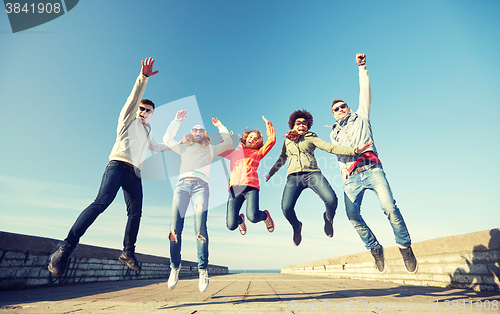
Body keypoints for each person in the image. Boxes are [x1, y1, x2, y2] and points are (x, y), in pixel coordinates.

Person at [48, 58, 169, 276]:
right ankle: (64, 248)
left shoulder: (148, 131)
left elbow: (158, 146)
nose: (143, 112)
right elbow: (133, 100)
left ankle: (128, 253)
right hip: (117, 166)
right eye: (141, 109)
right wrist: (143, 78)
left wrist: (182, 143)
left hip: (135, 174)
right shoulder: (127, 120)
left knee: (136, 214)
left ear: (152, 114)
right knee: (101, 203)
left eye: (148, 111)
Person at [329, 53, 418, 273]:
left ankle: (405, 247)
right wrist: (343, 172)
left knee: (389, 207)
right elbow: (339, 155)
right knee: (352, 215)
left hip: (373, 169)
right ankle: (375, 248)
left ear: (348, 107)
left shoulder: (362, 116)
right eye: (336, 109)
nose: (340, 109)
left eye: (343, 106)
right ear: (332, 115)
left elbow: (365, 91)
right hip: (352, 177)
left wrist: (362, 68)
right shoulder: (333, 133)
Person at [265, 110, 372, 246]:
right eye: (298, 122)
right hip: (294, 177)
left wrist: (354, 151)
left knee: (332, 200)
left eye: (305, 123)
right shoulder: (287, 141)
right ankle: (297, 227)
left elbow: (330, 147)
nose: (302, 125)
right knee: (286, 208)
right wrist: (271, 173)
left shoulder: (311, 137)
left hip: (312, 174)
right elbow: (282, 158)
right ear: (293, 125)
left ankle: (328, 218)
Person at [163, 110, 232, 292]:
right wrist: (176, 120)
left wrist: (220, 126)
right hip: (181, 187)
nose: (197, 131)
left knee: (200, 228)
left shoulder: (210, 148)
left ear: (205, 134)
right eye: (195, 129)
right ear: (191, 133)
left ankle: (202, 270)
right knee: (174, 228)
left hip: (201, 186)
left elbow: (229, 142)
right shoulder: (184, 147)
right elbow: (168, 138)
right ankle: (174, 267)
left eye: (201, 130)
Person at [219, 116, 276, 235]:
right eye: (251, 137)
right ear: (246, 137)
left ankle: (265, 216)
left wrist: (268, 125)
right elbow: (219, 151)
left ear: (258, 143)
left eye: (256, 139)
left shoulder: (258, 153)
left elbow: (272, 141)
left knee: (253, 217)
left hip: (251, 187)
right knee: (231, 225)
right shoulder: (235, 152)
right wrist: (226, 140)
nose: (252, 139)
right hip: (235, 188)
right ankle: (240, 220)